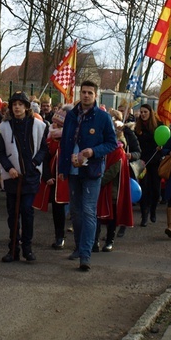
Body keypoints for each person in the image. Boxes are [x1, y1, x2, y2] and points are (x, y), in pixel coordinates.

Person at [58, 81, 117, 271]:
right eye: (83, 92)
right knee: (75, 211)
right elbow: (65, 143)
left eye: (90, 93)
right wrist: (62, 168)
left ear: (95, 95)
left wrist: (94, 151)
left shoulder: (103, 117)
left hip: (92, 171)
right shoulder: (71, 115)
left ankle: (86, 254)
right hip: (73, 170)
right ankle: (78, 246)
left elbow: (112, 143)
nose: (86, 96)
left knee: (88, 210)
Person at [0, 91, 48, 263]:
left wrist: (35, 163)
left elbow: (43, 149)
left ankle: (28, 248)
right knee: (13, 213)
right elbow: (0, 152)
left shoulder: (38, 126)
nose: (17, 107)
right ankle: (13, 249)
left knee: (27, 210)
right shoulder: (4, 127)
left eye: (20, 104)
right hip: (13, 177)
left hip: (30, 176)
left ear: (27, 107)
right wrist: (9, 168)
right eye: (14, 104)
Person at [36, 105, 71, 249]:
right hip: (54, 180)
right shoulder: (50, 139)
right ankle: (59, 236)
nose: (54, 125)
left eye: (58, 123)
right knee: (57, 209)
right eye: (54, 122)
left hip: (68, 179)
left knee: (74, 209)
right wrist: (47, 176)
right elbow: (44, 157)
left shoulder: (70, 140)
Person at [134, 104, 162, 226]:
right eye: (141, 112)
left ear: (150, 113)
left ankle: (153, 210)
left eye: (145, 112)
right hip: (142, 162)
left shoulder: (158, 126)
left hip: (155, 162)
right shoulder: (138, 128)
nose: (143, 114)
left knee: (156, 189)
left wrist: (162, 147)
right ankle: (144, 215)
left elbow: (167, 142)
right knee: (144, 189)